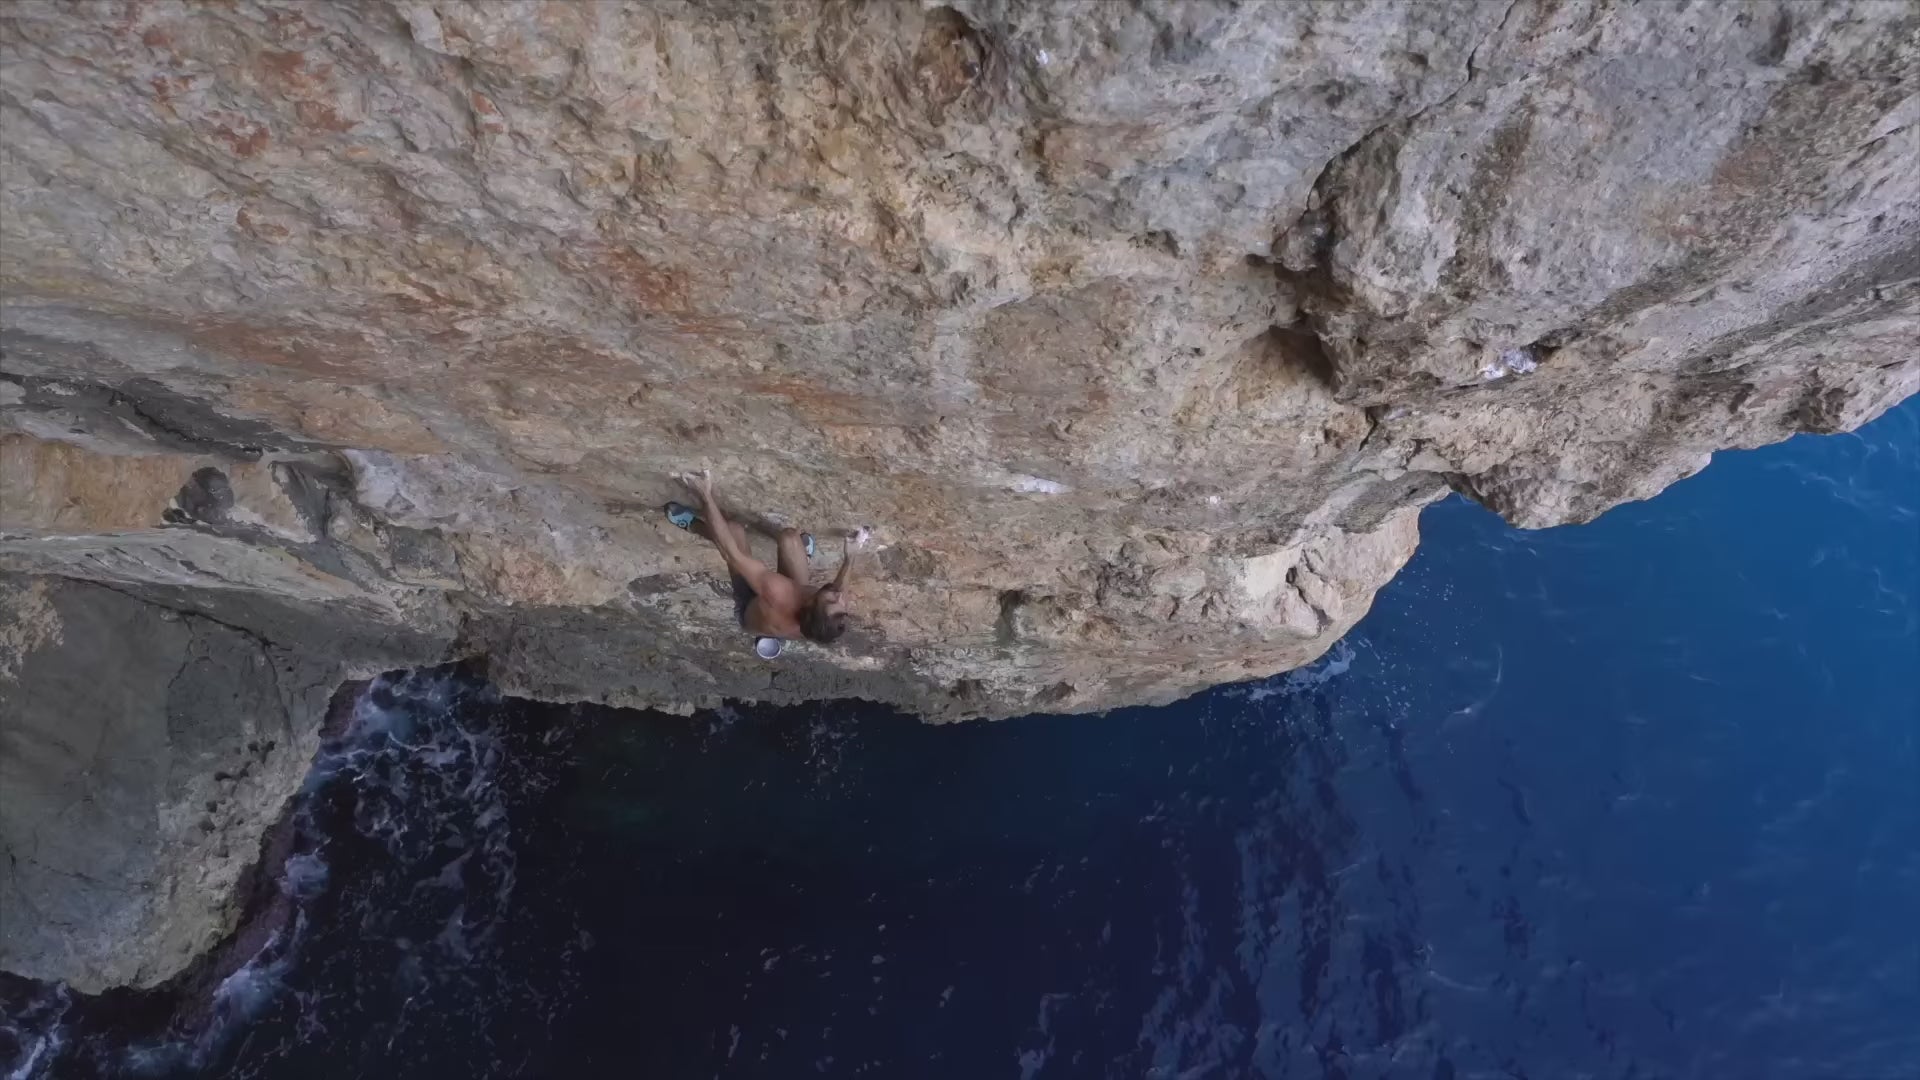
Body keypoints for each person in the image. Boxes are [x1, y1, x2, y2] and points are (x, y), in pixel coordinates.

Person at [666, 470, 852, 651]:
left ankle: (693, 525)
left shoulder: (776, 592)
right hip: (791, 604)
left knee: (733, 530)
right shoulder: (823, 620)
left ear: (811, 604)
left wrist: (705, 495)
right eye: (841, 605)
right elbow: (837, 593)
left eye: (830, 600)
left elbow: (730, 552)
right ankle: (803, 558)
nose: (840, 597)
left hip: (751, 605)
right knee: (790, 538)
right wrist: (850, 557)